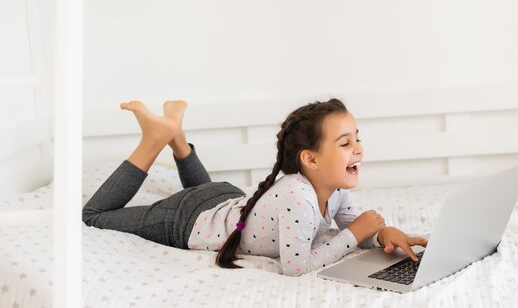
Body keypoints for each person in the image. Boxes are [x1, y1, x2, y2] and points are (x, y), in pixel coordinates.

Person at [82, 98, 428, 276]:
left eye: (357, 138)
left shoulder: (334, 189)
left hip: (224, 200)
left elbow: (358, 227)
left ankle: (177, 136)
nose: (358, 148)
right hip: (186, 220)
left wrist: (384, 234)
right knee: (94, 216)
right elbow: (296, 268)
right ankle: (155, 140)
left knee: (208, 199)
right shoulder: (297, 196)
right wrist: (354, 235)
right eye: (344, 143)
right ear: (311, 159)